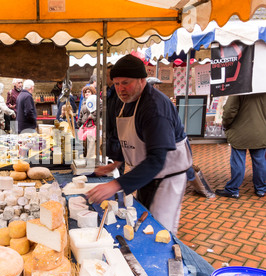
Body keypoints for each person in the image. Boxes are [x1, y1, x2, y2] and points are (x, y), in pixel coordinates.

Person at [87, 54, 192, 235]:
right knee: (143, 217)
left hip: (167, 177)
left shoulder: (155, 108)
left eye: (126, 83)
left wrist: (116, 184)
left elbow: (157, 160)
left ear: (142, 80)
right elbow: (127, 136)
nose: (121, 89)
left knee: (158, 229)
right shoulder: (126, 102)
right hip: (146, 173)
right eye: (117, 84)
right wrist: (117, 162)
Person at [215, 93, 266, 198]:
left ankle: (232, 189)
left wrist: (225, 124)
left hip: (239, 132)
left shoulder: (240, 89)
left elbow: (230, 110)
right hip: (261, 132)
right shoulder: (263, 89)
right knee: (260, 161)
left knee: (238, 161)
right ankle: (261, 189)